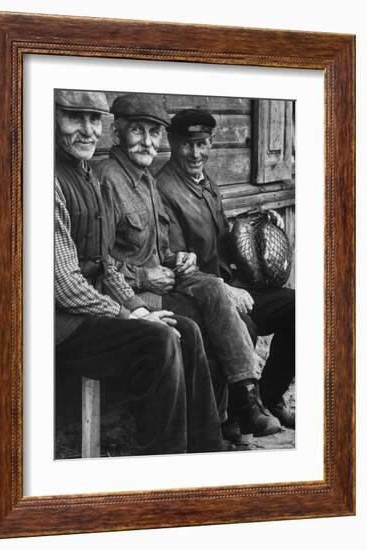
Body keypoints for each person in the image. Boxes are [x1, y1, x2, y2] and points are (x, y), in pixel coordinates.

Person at [95, 93, 281, 438]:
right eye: (138, 131)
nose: (147, 141)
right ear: (117, 134)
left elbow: (161, 248)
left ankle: (241, 404)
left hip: (164, 282)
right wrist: (142, 275)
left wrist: (180, 258)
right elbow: (98, 263)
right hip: (133, 296)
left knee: (214, 291)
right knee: (221, 318)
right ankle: (226, 419)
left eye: (153, 133)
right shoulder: (107, 180)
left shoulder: (147, 181)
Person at [54, 89, 224, 455]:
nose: (87, 131)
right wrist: (130, 313)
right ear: (53, 119)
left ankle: (208, 453)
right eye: (75, 118)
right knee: (158, 340)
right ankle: (162, 463)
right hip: (59, 325)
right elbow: (65, 287)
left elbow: (106, 264)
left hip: (92, 311)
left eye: (94, 120)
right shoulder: (51, 179)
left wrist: (140, 309)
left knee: (184, 330)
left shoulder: (86, 175)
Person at [155, 107, 295, 429]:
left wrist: (260, 220)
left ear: (211, 143)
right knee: (244, 324)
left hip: (231, 284)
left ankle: (270, 397)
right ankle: (238, 415)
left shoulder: (207, 181)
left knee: (298, 307)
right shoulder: (163, 189)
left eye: (202, 143)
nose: (195, 153)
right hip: (201, 296)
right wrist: (227, 290)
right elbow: (175, 261)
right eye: (188, 144)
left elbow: (221, 236)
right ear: (172, 142)